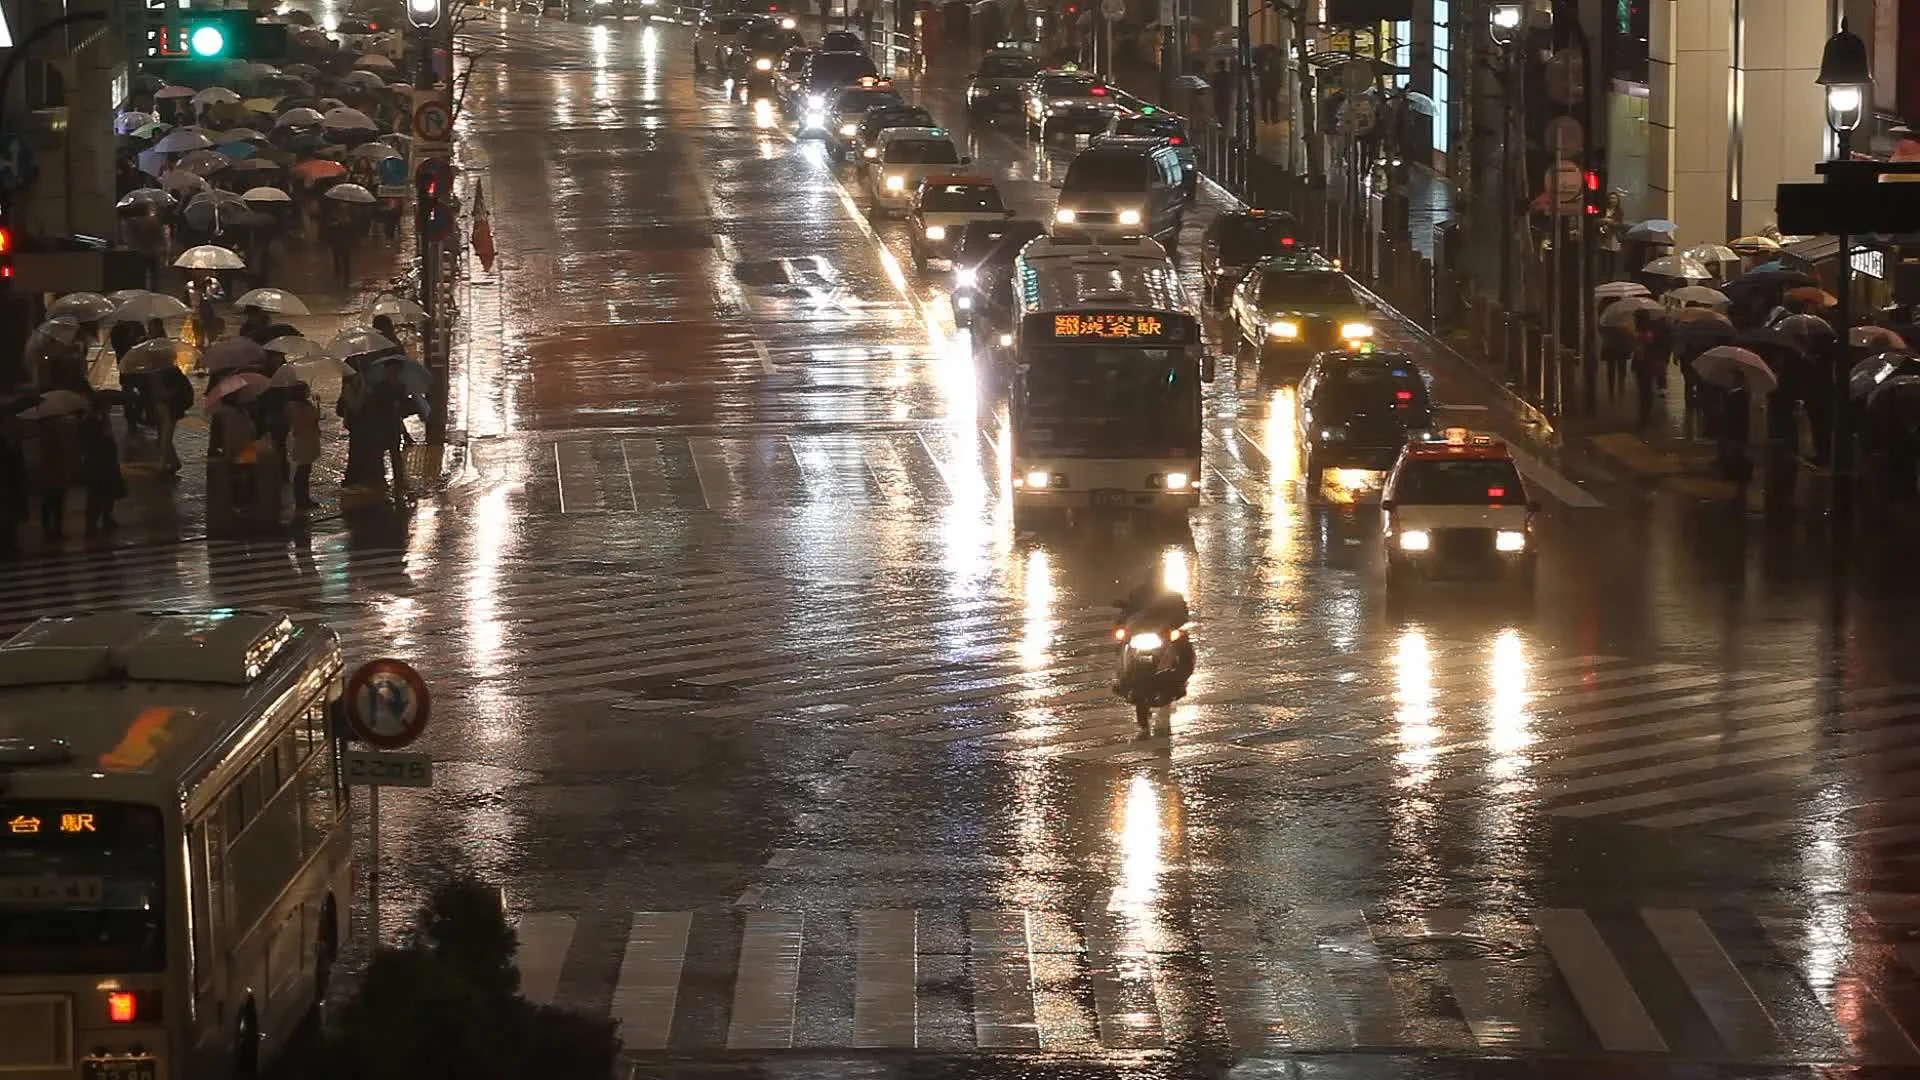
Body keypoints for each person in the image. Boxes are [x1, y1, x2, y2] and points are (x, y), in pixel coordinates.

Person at [79, 403, 124, 535]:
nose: (109, 409)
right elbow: (96, 441)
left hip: (107, 462)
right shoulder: (91, 421)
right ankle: (92, 523)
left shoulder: (102, 419)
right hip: (98, 463)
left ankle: (106, 517)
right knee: (96, 494)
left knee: (108, 492)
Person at [34, 413, 79, 542]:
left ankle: (53, 529)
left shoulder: (49, 436)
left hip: (55, 476)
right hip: (55, 476)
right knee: (54, 504)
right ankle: (53, 530)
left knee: (53, 504)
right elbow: (54, 457)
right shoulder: (50, 437)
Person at [286, 383, 321, 513]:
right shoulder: (299, 407)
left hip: (305, 440)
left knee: (304, 470)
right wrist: (317, 404)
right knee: (303, 471)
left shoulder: (295, 406)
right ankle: (301, 499)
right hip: (304, 441)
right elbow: (314, 417)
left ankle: (303, 497)